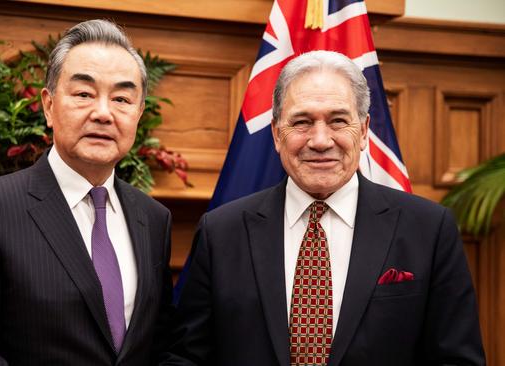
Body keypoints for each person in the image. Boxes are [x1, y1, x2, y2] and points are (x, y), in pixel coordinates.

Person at [159, 50, 485, 366]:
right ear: (276, 134)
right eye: (301, 122)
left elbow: (456, 360)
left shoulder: (428, 229)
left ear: (364, 130)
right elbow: (187, 356)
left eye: (338, 121)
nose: (320, 140)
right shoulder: (221, 232)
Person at [0, 19, 173, 366]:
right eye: (84, 94)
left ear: (139, 114)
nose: (103, 113)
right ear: (49, 105)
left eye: (122, 99)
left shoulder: (154, 219)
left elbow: (159, 346)